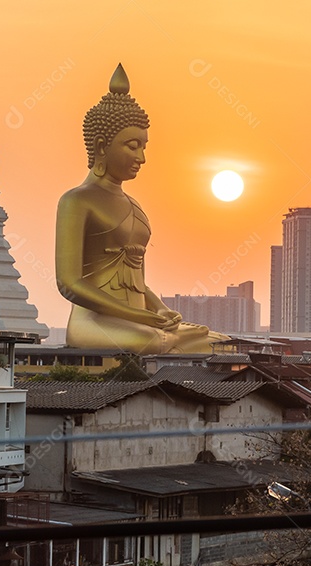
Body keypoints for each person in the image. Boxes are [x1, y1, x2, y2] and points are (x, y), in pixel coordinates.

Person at [55, 64, 228, 354]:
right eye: (133, 146)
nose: (142, 157)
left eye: (144, 147)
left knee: (222, 344)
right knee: (153, 341)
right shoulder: (76, 201)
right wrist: (138, 316)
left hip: (140, 321)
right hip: (95, 322)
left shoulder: (133, 205)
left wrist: (159, 310)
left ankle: (173, 340)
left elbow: (139, 283)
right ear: (101, 146)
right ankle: (166, 341)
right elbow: (69, 283)